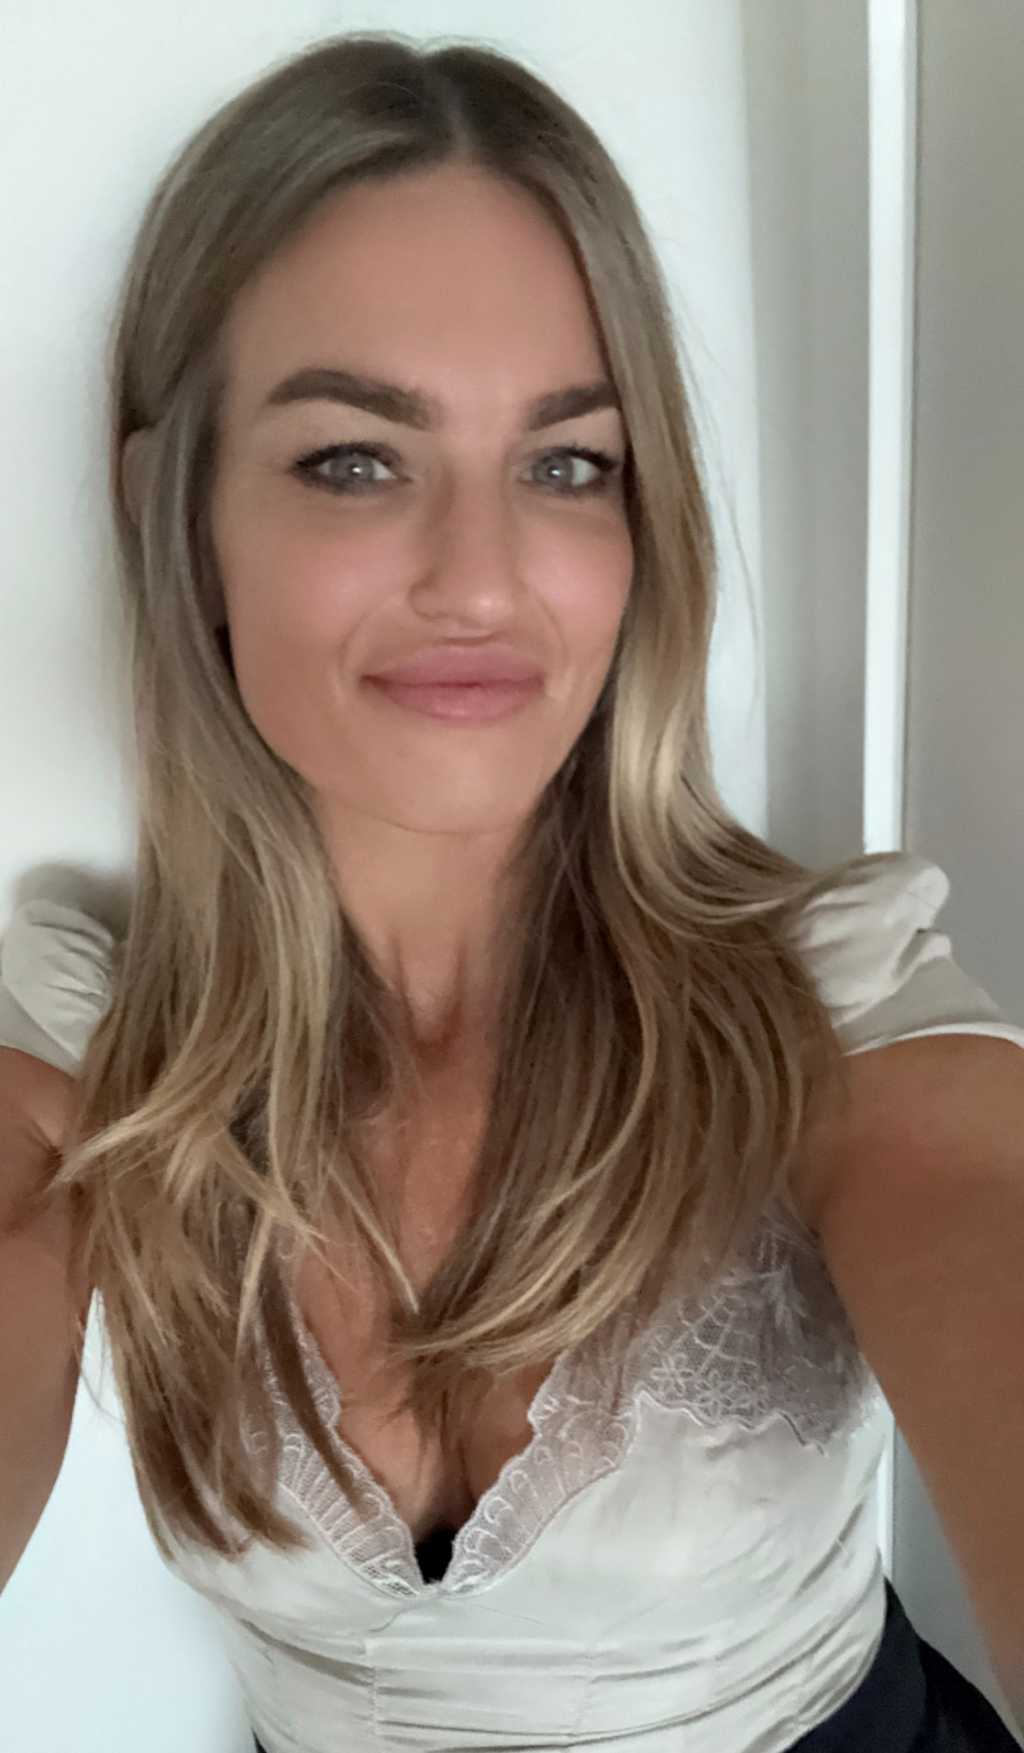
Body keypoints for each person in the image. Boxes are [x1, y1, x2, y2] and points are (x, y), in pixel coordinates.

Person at [1, 30, 1022, 1753]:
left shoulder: (830, 1001)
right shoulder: (94, 1028)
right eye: (354, 458)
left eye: (567, 464)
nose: (479, 579)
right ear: (174, 512)